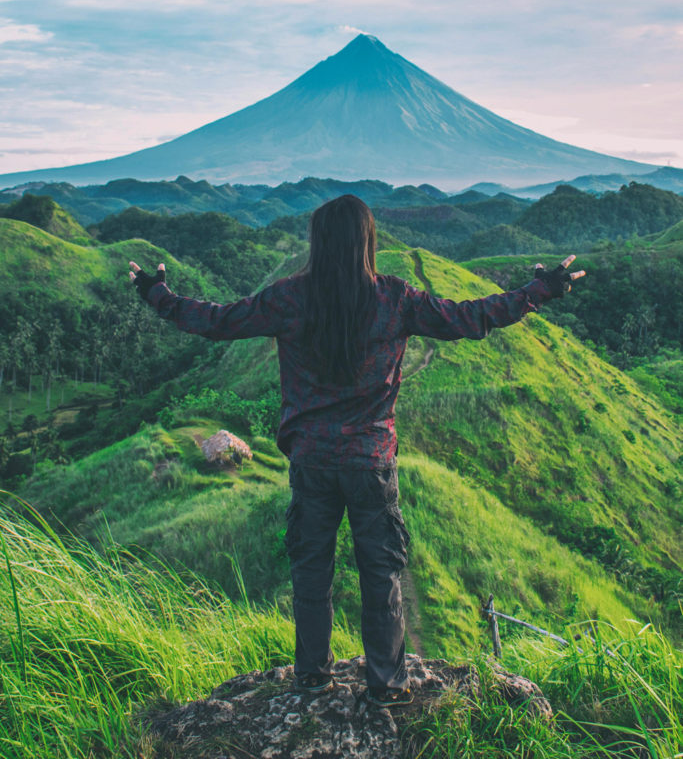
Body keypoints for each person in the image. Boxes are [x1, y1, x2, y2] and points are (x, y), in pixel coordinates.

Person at [128, 194, 584, 707]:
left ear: (318, 243)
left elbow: (216, 320)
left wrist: (157, 294)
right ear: (368, 242)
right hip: (371, 461)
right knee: (381, 571)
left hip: (313, 461)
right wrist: (538, 291)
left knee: (311, 569)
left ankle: (311, 677)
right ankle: (387, 685)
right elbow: (469, 318)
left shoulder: (289, 298)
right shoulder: (395, 298)